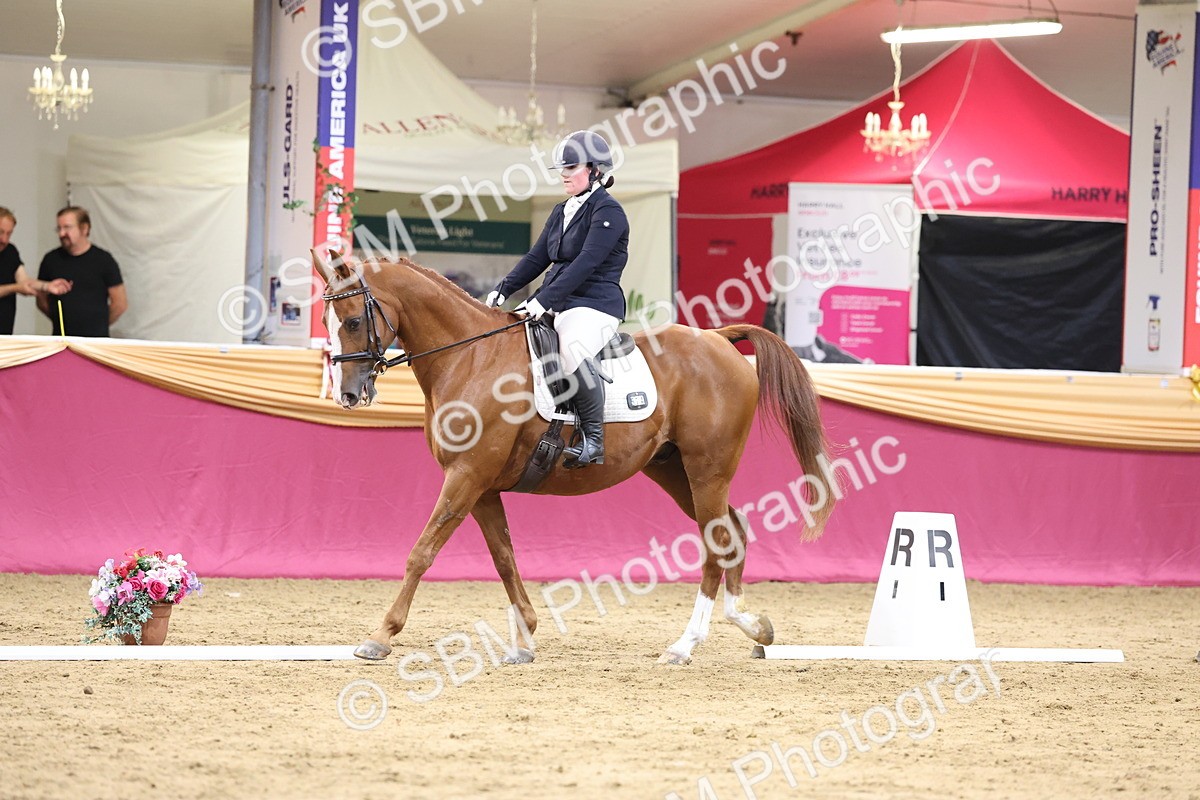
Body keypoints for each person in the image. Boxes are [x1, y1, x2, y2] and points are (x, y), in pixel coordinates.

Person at [486, 130, 629, 468]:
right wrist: (503, 289)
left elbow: (585, 264)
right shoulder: (562, 210)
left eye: (572, 167)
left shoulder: (609, 212)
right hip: (559, 300)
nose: (564, 174)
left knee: (571, 349)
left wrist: (541, 300)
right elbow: (537, 258)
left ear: (595, 170)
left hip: (594, 304)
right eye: (561, 169)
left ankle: (594, 439)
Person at [37, 206, 127, 337]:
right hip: (61, 341)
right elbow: (41, 298)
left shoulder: (104, 260)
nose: (62, 233)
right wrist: (58, 319)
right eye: (59, 228)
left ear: (84, 228)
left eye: (67, 227)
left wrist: (98, 324)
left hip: (96, 343)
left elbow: (120, 303)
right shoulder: (50, 260)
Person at [0, 207, 69, 335]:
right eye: (0, 232)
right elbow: (19, 286)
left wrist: (47, 286)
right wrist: (15, 288)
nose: (4, 239)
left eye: (9, 234)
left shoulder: (10, 251)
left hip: (4, 336)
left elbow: (24, 280)